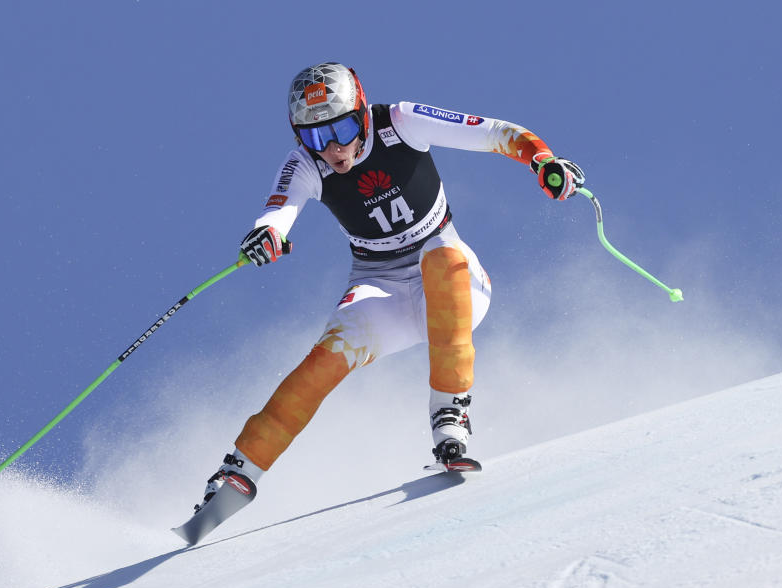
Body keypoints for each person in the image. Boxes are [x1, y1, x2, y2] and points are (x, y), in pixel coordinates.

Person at [191, 61, 584, 513]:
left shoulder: (400, 122)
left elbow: (492, 131)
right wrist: (267, 233)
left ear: (360, 114)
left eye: (339, 129)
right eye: (316, 137)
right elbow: (279, 209)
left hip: (456, 282)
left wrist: (542, 159)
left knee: (441, 258)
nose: (333, 149)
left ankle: (449, 413)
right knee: (324, 361)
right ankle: (239, 469)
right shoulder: (305, 164)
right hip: (380, 288)